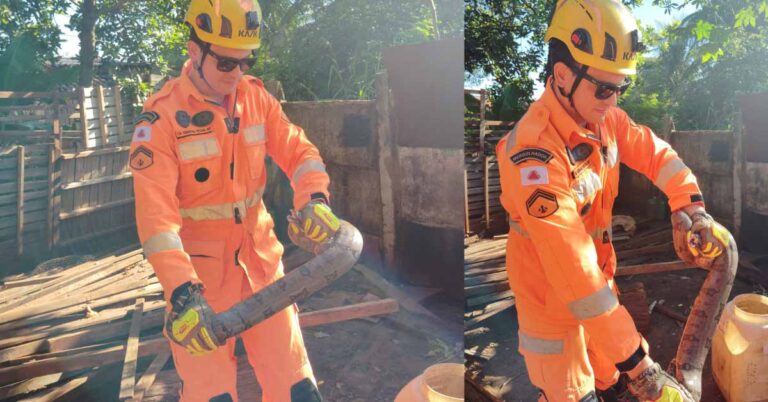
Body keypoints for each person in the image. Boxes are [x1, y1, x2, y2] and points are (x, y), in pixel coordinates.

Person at [496, 0, 729, 401]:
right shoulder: (532, 154)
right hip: (554, 309)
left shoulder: (605, 119)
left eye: (621, 87)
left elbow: (658, 155)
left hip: (599, 294)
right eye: (605, 88)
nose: (614, 100)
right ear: (563, 75)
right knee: (576, 393)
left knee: (611, 381)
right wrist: (641, 366)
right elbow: (570, 265)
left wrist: (688, 205)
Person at [129, 1, 339, 400]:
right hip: (200, 289)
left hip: (263, 271)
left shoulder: (257, 99)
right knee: (212, 395)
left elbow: (301, 152)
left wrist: (316, 199)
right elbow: (157, 222)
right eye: (227, 63)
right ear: (195, 51)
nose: (239, 73)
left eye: (246, 61)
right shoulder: (161, 121)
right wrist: (182, 294)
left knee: (298, 389)